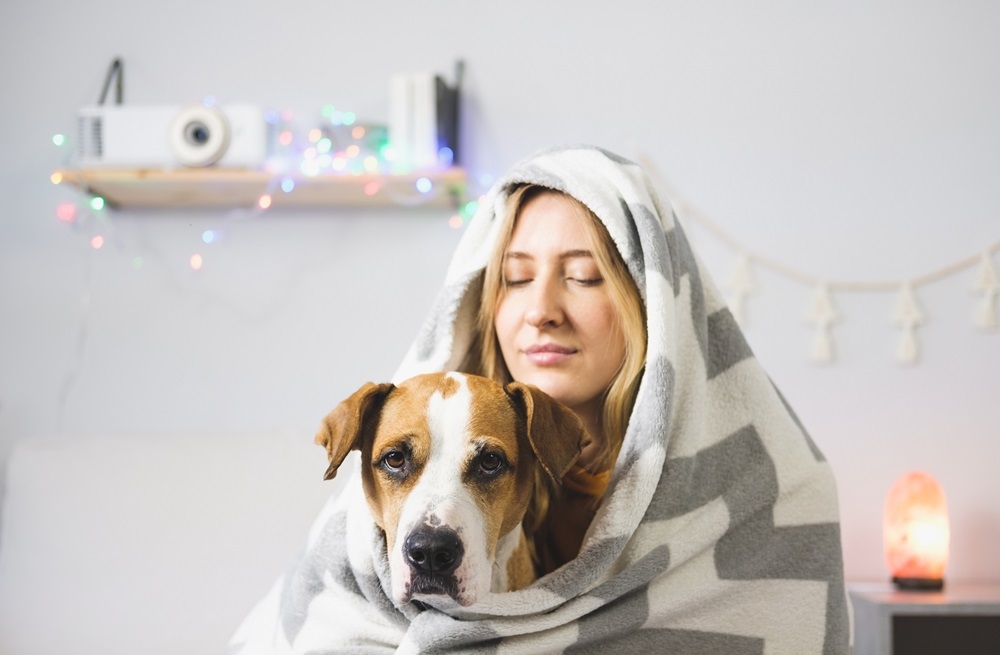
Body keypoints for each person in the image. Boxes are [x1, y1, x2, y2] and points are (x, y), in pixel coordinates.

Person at [230, 145, 850, 654]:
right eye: (516, 278)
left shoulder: (764, 493)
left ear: (649, 301)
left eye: (582, 276)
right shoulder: (426, 415)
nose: (541, 311)